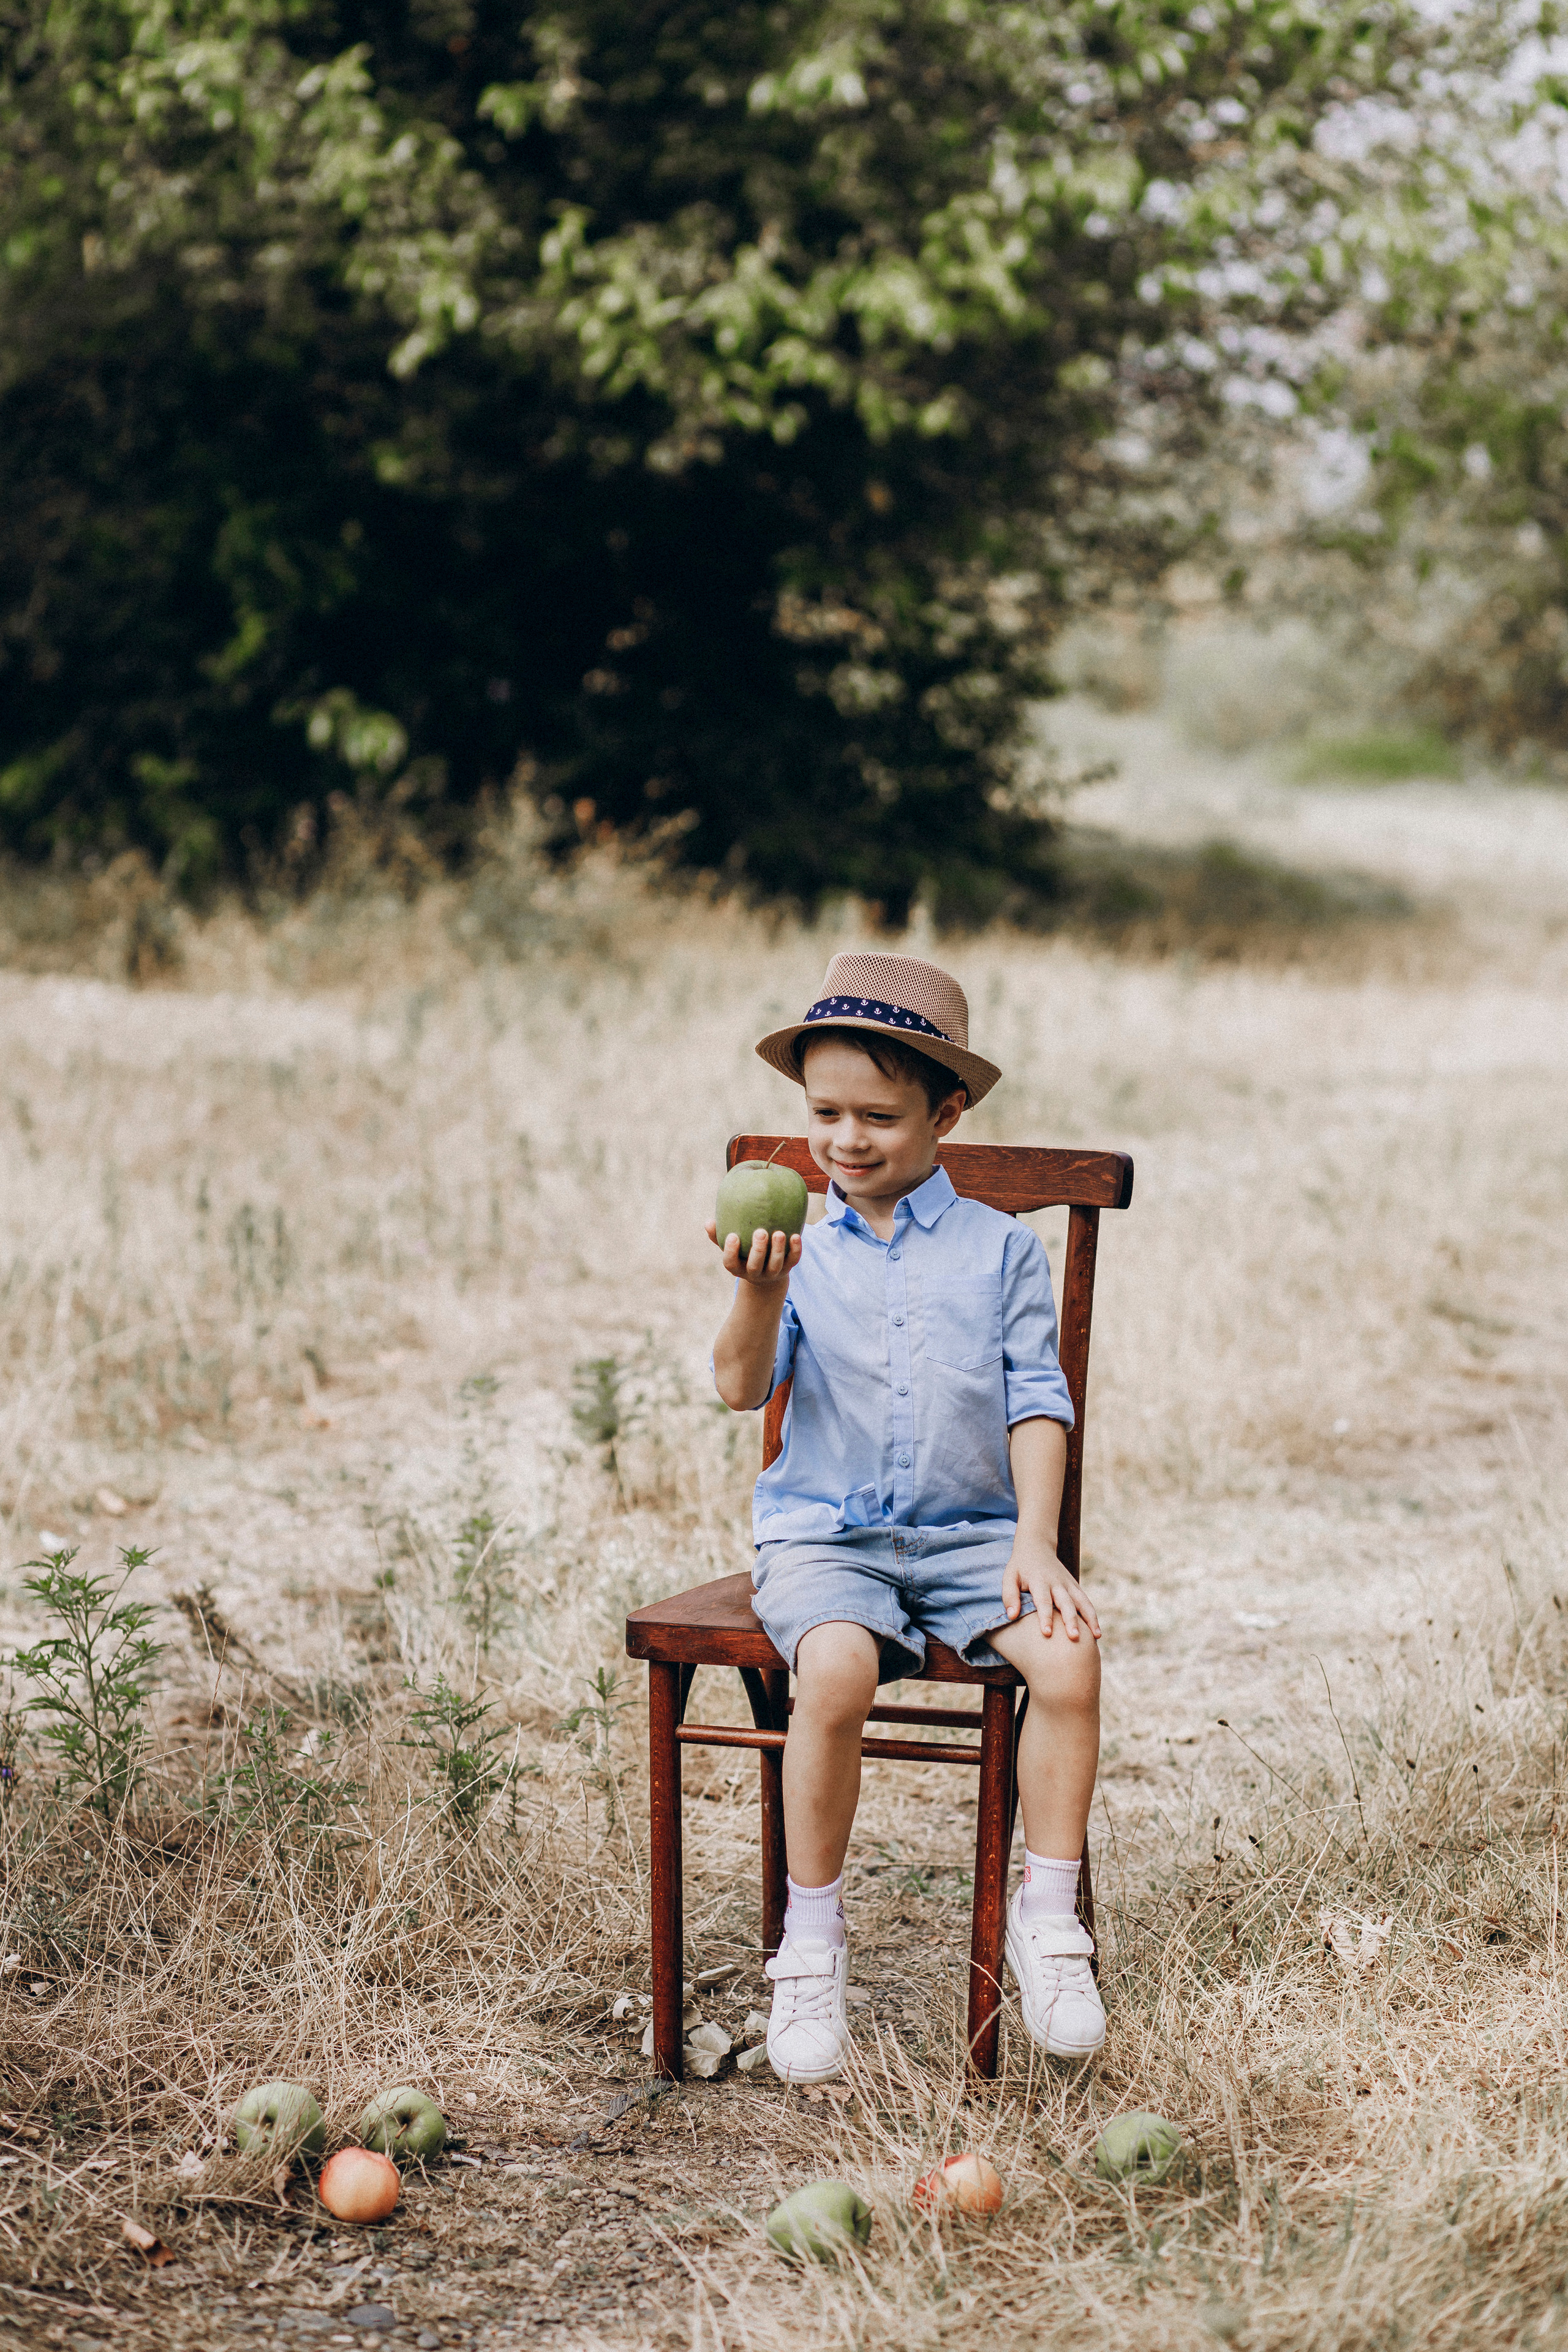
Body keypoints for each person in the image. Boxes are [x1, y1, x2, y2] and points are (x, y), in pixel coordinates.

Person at [707, 950, 1104, 2085]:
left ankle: (1048, 1918)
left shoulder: (1001, 1249)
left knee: (1069, 1657)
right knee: (833, 1670)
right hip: (827, 1540)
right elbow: (739, 1387)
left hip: (976, 1536)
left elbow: (1037, 1403)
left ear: (947, 1113)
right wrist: (756, 1288)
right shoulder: (797, 1252)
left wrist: (1034, 1541)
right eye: (824, 1113)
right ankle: (811, 1941)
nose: (845, 1140)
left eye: (878, 1117)